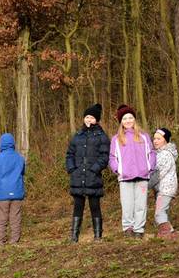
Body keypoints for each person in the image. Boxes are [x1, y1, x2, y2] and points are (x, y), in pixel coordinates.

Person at [109, 105, 156, 238]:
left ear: (134, 119)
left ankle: (139, 229)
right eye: (125, 118)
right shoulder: (116, 139)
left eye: (130, 117)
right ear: (121, 121)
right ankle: (128, 228)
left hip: (142, 176)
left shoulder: (144, 136)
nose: (128, 120)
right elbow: (112, 157)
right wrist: (118, 169)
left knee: (141, 205)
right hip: (125, 177)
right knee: (127, 205)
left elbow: (151, 153)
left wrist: (149, 167)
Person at [65, 103, 110, 242]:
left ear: (96, 120)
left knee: (95, 206)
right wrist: (72, 169)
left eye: (91, 117)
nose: (88, 119)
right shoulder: (77, 136)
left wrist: (94, 169)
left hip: (93, 177)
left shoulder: (102, 136)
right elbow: (69, 154)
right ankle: (74, 237)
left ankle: (98, 236)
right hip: (78, 176)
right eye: (87, 117)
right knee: (78, 206)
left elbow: (104, 157)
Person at [0, 133, 26, 246]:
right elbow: (23, 172)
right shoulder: (20, 158)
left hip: (2, 193)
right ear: (13, 143)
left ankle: (0, 241)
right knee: (15, 217)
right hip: (17, 192)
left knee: (2, 218)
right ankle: (14, 241)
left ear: (1, 144)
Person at [150, 127, 179, 239]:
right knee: (163, 211)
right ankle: (171, 233)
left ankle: (165, 233)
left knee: (159, 212)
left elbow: (158, 173)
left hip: (165, 189)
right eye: (154, 139)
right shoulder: (159, 153)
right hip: (162, 189)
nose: (155, 141)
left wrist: (146, 185)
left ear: (166, 140)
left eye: (159, 139)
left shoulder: (165, 154)